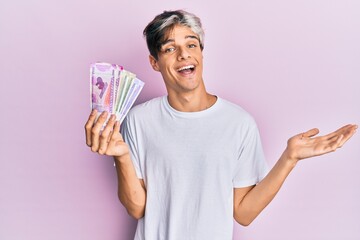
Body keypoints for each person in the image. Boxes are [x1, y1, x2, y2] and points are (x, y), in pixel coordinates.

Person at [85, 10, 357, 240]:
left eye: (191, 45)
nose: (183, 55)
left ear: (201, 53)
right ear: (154, 63)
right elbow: (137, 208)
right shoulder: (138, 121)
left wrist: (290, 157)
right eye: (170, 48)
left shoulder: (239, 124)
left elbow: (244, 213)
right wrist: (121, 156)